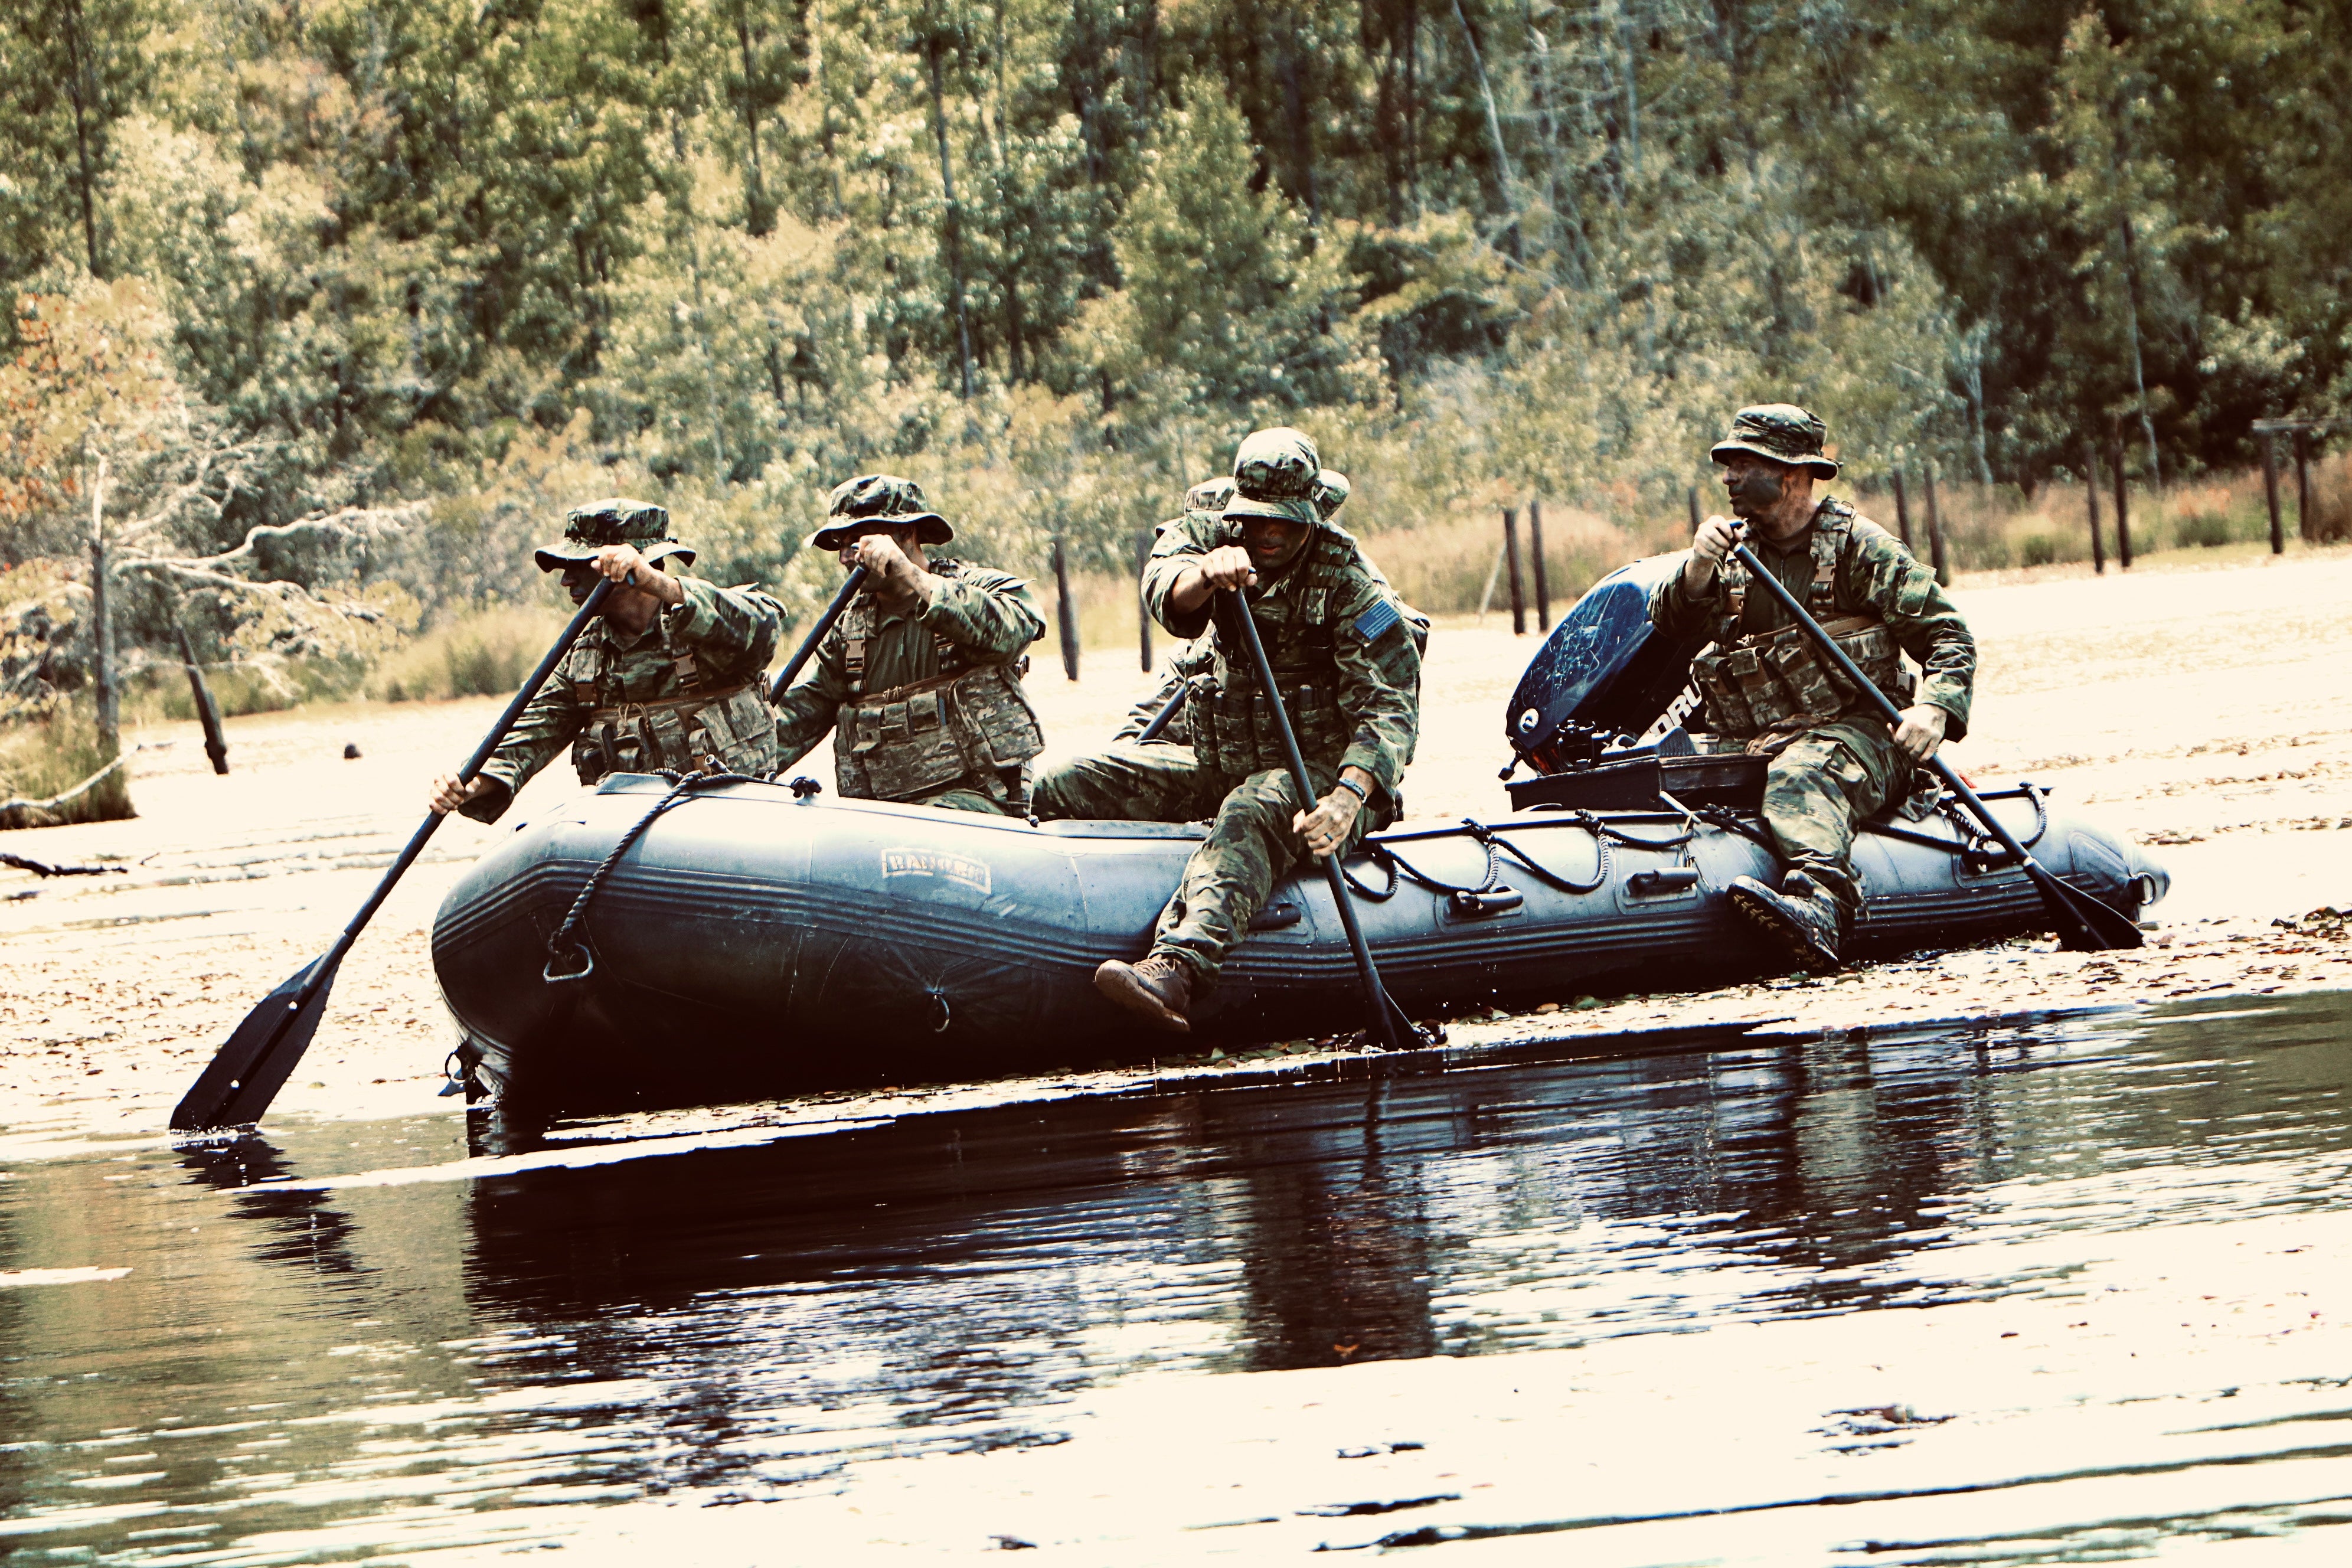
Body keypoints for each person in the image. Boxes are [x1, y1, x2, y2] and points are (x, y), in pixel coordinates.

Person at [1038, 427, 1421, 1033]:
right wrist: (1204, 576)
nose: (1269, 534)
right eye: (1257, 518)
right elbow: (1163, 581)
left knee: (1253, 807)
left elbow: (1389, 709)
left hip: (1318, 777)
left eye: (1284, 522)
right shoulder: (1215, 531)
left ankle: (1177, 970)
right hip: (1221, 763)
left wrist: (1348, 799)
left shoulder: (1350, 585)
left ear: (1310, 515)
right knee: (1065, 780)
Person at [1654, 403, 1977, 970]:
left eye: (1744, 464)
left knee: (1804, 772)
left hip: (1862, 734)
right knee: (1658, 767)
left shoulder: (1863, 548)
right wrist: (1697, 570)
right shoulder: (1731, 552)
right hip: (1759, 737)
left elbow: (1948, 636)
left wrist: (1934, 710)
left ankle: (1823, 904)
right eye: (1728, 465)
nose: (1728, 477)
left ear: (1792, 474)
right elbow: (1670, 625)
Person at [428, 498, 783, 822]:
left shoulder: (705, 627)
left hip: (732, 821)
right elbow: (528, 734)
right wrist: (473, 783)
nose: (566, 580)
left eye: (579, 565)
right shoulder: (584, 658)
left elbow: (765, 626)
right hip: (636, 835)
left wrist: (656, 582)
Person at [770, 474, 1047, 813]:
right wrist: (730, 772)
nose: (845, 557)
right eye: (841, 544)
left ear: (908, 534)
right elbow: (796, 718)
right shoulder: (849, 630)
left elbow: (1015, 631)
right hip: (887, 818)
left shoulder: (975, 588)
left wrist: (911, 575)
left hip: (976, 806)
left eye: (857, 542)